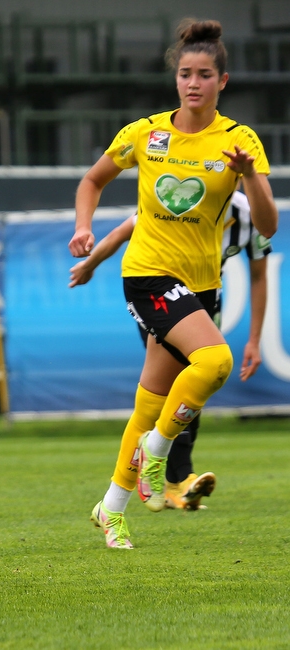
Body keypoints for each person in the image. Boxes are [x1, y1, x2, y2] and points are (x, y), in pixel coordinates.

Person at [69, 20, 278, 549]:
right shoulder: (145, 133)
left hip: (201, 284)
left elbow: (268, 229)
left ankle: (111, 508)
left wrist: (250, 175)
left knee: (148, 401)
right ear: (176, 79)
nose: (193, 83)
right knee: (216, 362)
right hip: (148, 275)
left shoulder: (238, 140)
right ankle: (158, 453)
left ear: (222, 81)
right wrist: (83, 228)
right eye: (185, 73)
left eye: (204, 74)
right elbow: (92, 180)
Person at [69, 189, 273, 510]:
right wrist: (89, 265)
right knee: (172, 393)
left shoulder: (250, 213)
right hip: (160, 297)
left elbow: (260, 275)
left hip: (202, 306)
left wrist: (255, 339)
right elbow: (123, 231)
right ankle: (176, 476)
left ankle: (121, 500)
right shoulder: (184, 197)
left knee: (180, 395)